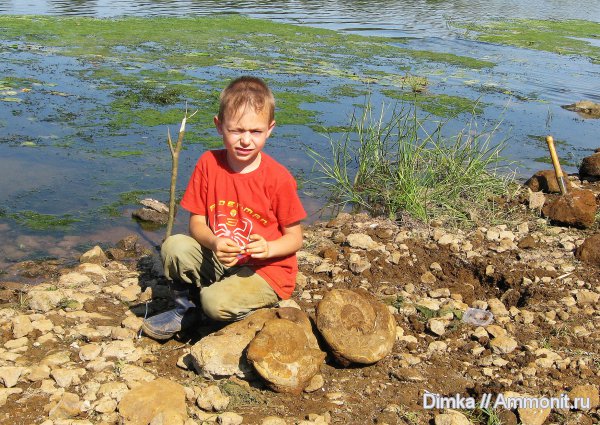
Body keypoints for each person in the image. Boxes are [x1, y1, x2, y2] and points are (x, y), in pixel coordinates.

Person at [142, 76, 306, 340]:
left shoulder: (279, 178)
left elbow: (295, 238)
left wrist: (268, 249)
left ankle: (248, 310)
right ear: (219, 126)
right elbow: (196, 223)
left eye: (255, 131)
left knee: (214, 303)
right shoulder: (209, 164)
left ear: (270, 129)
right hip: (223, 258)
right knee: (174, 246)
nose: (245, 140)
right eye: (237, 130)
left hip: (266, 270)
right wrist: (215, 242)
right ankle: (185, 310)